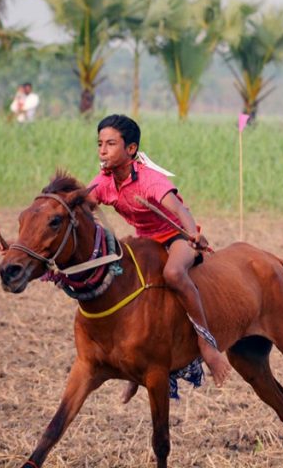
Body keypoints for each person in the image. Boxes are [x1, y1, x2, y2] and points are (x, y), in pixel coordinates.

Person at [88, 114, 231, 386]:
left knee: (174, 273)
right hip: (146, 242)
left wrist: (194, 234)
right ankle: (139, 357)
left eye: (110, 144)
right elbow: (79, 205)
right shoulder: (104, 181)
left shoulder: (149, 180)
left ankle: (206, 343)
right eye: (99, 144)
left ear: (130, 149)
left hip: (177, 236)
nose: (102, 150)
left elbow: (179, 209)